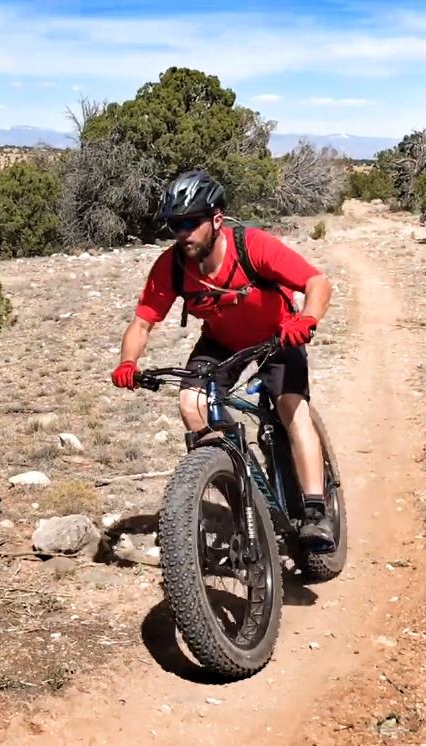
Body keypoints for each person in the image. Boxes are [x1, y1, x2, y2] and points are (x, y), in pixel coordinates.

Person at [109, 169, 336, 549]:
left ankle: (316, 512)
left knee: (291, 407)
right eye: (174, 225)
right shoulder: (172, 266)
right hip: (221, 342)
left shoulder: (252, 246)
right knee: (191, 404)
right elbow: (142, 323)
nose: (182, 233)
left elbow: (317, 283)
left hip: (278, 335)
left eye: (190, 223)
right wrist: (127, 362)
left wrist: (307, 319)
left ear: (216, 219)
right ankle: (240, 490)